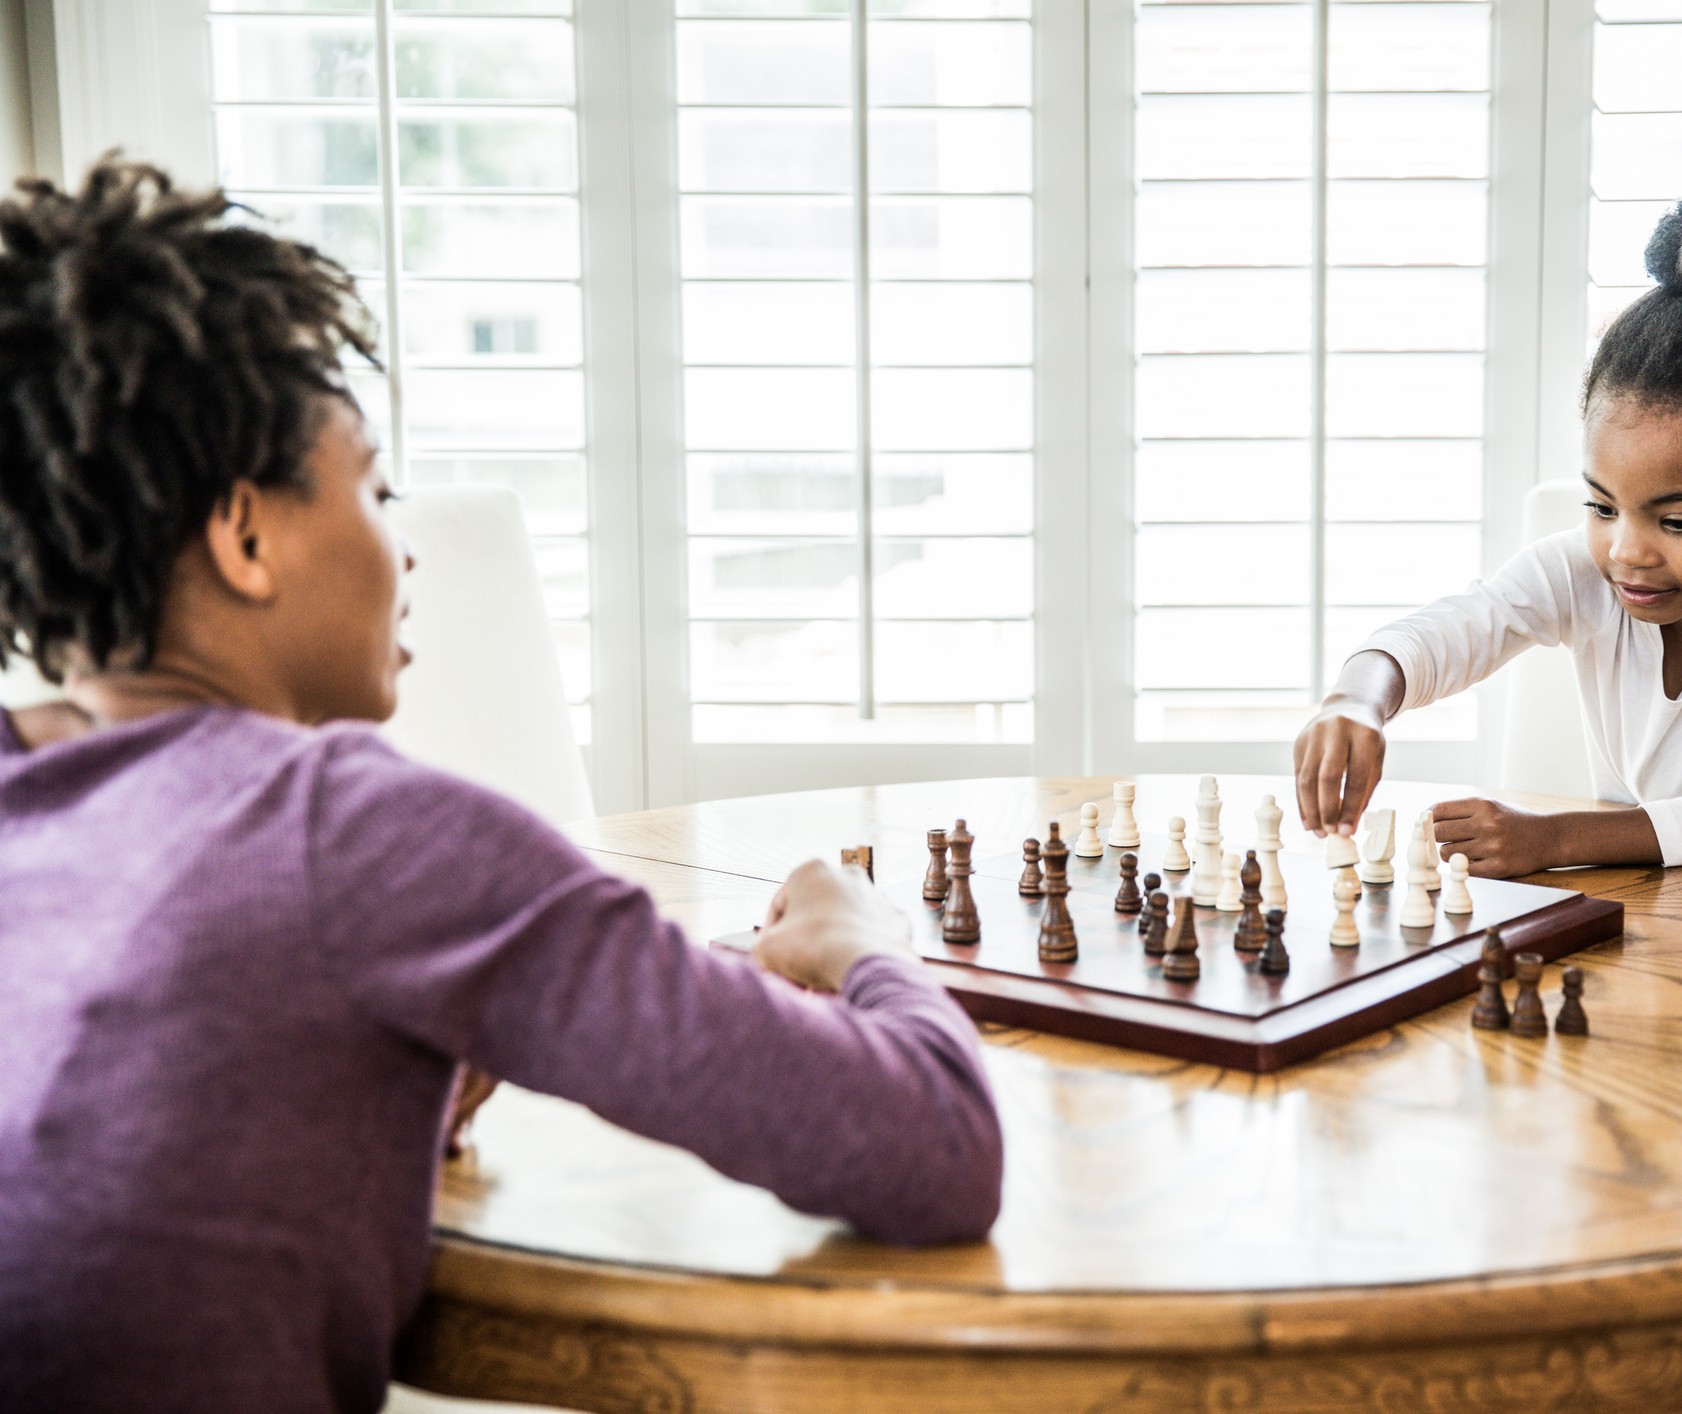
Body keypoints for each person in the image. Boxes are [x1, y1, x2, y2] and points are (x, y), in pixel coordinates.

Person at [0, 160, 1003, 1413]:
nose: (405, 541)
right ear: (245, 535)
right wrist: (865, 942)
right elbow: (943, 1147)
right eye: (372, 486)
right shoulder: (356, 833)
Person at [1292, 187, 1682, 873]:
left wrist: (1549, 840)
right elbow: (1461, 625)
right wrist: (1356, 697)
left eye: (1677, 521)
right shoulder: (1589, 571)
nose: (1627, 552)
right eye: (1602, 506)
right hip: (1670, 880)